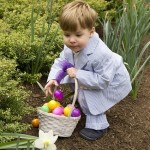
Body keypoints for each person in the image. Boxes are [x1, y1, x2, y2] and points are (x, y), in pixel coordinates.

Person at [44, 0, 132, 141]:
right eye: (67, 35)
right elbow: (61, 62)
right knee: (81, 86)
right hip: (91, 75)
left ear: (91, 32)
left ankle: (98, 125)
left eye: (78, 35)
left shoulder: (100, 54)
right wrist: (54, 78)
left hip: (111, 79)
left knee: (91, 95)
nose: (71, 40)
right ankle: (81, 99)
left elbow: (103, 80)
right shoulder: (71, 45)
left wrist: (78, 73)